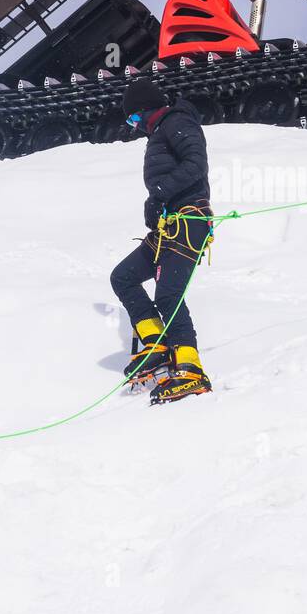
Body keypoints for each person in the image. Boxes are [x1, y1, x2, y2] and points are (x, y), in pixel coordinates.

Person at [108, 77, 215, 404]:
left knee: (168, 293)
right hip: (170, 223)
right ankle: (156, 344)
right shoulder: (160, 132)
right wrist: (158, 205)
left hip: (190, 219)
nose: (134, 126)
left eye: (134, 118)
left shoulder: (177, 122)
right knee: (123, 277)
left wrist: (158, 194)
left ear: (145, 110)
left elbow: (195, 165)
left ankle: (190, 366)